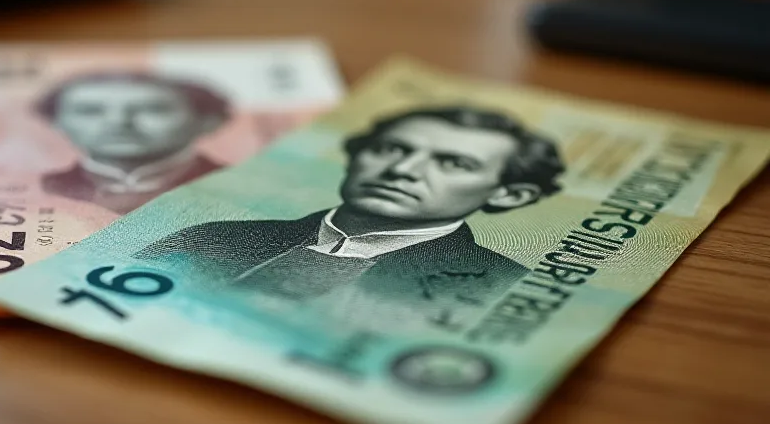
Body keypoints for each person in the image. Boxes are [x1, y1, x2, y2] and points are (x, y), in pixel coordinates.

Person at [136, 106, 566, 331]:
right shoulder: (209, 238)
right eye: (392, 150)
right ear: (356, 155)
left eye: (453, 163)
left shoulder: (501, 288)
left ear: (509, 194)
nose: (403, 170)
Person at [38, 72, 230, 214]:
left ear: (208, 121)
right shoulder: (40, 188)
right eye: (90, 111)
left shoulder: (237, 188)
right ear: (56, 122)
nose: (119, 122)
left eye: (152, 109)